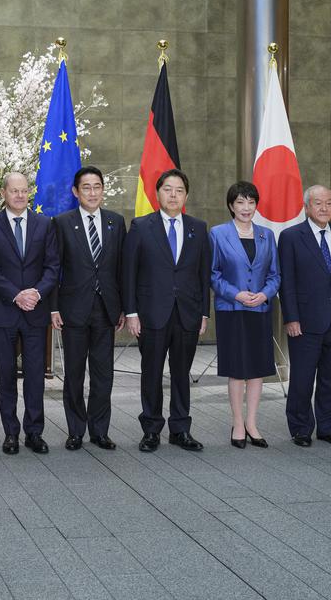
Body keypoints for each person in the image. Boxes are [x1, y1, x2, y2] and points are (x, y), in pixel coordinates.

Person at [122, 168, 211, 453]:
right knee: (151, 372)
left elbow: (203, 274)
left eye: (179, 190)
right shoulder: (140, 226)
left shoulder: (198, 227)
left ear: (186, 195)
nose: (173, 195)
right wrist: (131, 312)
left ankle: (181, 429)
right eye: (168, 189)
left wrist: (204, 314)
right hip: (151, 313)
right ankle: (151, 430)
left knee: (181, 373)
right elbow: (129, 273)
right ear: (158, 193)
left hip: (187, 312)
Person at [0, 172, 60, 455]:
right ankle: (10, 433)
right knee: (5, 374)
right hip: (4, 311)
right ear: (4, 193)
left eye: (24, 191)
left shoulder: (44, 224)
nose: (19, 196)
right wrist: (16, 294)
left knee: (36, 375)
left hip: (36, 312)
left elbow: (53, 266)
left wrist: (36, 293)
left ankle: (34, 432)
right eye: (14, 191)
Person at [50, 166, 125, 451]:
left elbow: (121, 268)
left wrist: (123, 307)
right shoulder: (62, 222)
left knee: (103, 373)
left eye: (97, 186)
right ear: (75, 192)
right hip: (73, 309)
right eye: (86, 187)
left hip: (106, 309)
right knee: (74, 373)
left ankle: (100, 430)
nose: (92, 192)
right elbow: (54, 269)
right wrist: (54, 308)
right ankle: (75, 430)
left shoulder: (116, 222)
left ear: (103, 190)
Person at [279, 185, 331, 447]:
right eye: (318, 203)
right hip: (304, 320)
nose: (324, 208)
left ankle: (328, 428)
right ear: (307, 207)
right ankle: (301, 428)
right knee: (302, 378)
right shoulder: (291, 236)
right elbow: (286, 281)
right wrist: (291, 317)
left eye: (329, 203)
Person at [209, 181, 279, 449]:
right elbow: (213, 274)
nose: (246, 207)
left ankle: (252, 422)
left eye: (251, 202)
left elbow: (275, 274)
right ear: (231, 205)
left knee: (259, 368)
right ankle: (238, 423)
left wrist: (264, 294)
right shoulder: (217, 234)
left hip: (260, 309)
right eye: (240, 202)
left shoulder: (266, 235)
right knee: (237, 369)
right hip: (232, 309)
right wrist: (236, 294)